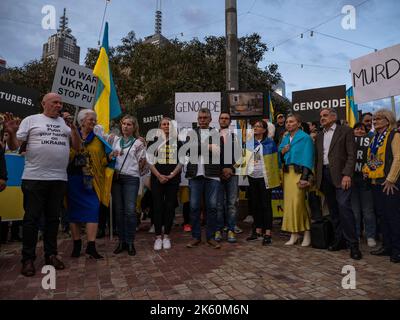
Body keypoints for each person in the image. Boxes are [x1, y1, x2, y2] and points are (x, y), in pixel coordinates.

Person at [4, 93, 80, 276]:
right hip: (34, 178)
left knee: (53, 219)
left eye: (60, 103)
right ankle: (28, 259)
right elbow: (15, 147)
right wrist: (12, 133)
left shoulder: (65, 124)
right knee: (31, 219)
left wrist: (75, 130)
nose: (59, 105)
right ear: (44, 103)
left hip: (59, 179)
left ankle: (51, 254)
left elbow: (77, 147)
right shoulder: (31, 120)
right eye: (55, 102)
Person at [315, 109, 362, 260]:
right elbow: (319, 157)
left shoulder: (346, 131)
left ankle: (353, 244)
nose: (322, 118)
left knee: (344, 207)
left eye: (325, 115)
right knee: (333, 210)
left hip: (341, 175)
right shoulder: (320, 135)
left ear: (334, 117)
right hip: (324, 175)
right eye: (321, 116)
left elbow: (351, 154)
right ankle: (339, 240)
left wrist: (347, 174)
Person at [68, 109, 112, 259]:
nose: (93, 122)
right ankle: (77, 244)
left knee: (93, 209)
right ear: (81, 121)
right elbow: (65, 156)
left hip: (91, 180)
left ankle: (91, 246)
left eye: (94, 120)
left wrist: (110, 157)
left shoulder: (99, 140)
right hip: (73, 179)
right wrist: (78, 147)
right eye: (90, 120)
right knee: (73, 213)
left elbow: (102, 161)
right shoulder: (70, 135)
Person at [363, 109, 400, 263]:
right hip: (375, 182)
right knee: (382, 216)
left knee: (393, 217)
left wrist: (391, 179)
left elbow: (398, 158)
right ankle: (387, 246)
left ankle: (397, 249)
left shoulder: (394, 135)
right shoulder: (375, 139)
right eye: (374, 119)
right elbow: (372, 159)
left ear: (388, 120)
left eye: (378, 118)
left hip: (389, 183)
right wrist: (366, 170)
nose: (375, 121)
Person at [185, 108, 224, 249]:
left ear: (210, 119)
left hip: (212, 175)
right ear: (197, 119)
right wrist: (208, 146)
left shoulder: (216, 133)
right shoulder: (191, 133)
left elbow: (218, 152)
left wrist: (199, 147)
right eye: (200, 117)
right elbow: (188, 150)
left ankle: (211, 237)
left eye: (205, 118)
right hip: (195, 175)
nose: (202, 120)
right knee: (194, 207)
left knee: (212, 208)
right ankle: (196, 237)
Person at [109, 115, 147, 256]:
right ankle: (121, 242)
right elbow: (98, 132)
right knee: (118, 211)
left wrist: (143, 160)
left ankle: (130, 241)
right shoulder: (114, 140)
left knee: (130, 211)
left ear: (134, 127)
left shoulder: (138, 143)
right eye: (124, 124)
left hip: (131, 178)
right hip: (117, 178)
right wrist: (111, 155)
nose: (125, 126)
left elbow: (142, 166)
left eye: (129, 124)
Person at [243, 120, 280, 246]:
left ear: (264, 130)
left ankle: (268, 232)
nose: (256, 128)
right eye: (255, 126)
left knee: (266, 205)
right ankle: (257, 230)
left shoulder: (270, 143)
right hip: (253, 177)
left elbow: (276, 161)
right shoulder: (249, 143)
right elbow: (244, 159)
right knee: (255, 204)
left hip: (266, 178)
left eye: (259, 126)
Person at [147, 117, 182, 250]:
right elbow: (150, 161)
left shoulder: (178, 142)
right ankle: (157, 237)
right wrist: (159, 175)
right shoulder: (154, 141)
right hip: (157, 178)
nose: (166, 126)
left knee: (169, 207)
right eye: (164, 124)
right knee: (157, 207)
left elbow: (181, 161)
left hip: (173, 179)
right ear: (160, 126)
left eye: (168, 124)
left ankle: (166, 236)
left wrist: (172, 175)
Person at [279, 114, 314, 246]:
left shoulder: (305, 138)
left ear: (299, 124)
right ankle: (294, 234)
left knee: (299, 204)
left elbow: (308, 158)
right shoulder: (286, 138)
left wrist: (305, 177)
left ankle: (307, 233)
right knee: (289, 205)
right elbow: (279, 156)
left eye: (291, 122)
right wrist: (282, 152)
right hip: (287, 174)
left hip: (300, 174)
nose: (288, 124)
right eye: (287, 122)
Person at [215, 112, 240, 243]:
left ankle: (231, 229)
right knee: (218, 204)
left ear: (230, 121)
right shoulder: (212, 136)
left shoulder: (236, 137)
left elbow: (240, 155)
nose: (224, 120)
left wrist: (231, 169)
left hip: (233, 174)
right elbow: (211, 156)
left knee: (231, 204)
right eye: (222, 118)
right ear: (218, 120)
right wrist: (220, 170)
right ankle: (218, 229)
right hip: (217, 175)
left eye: (226, 118)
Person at [352, 123, 376, 247]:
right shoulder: (349, 142)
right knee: (355, 211)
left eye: (362, 129)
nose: (360, 131)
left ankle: (370, 235)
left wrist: (371, 171)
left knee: (368, 211)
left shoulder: (371, 142)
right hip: (352, 180)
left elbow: (375, 159)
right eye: (357, 129)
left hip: (366, 180)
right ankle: (356, 234)